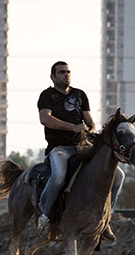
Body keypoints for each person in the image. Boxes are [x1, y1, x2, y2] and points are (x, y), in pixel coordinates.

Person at [36, 61, 123, 240]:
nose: (66, 74)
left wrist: (90, 129)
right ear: (52, 77)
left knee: (119, 176)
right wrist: (73, 127)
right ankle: (44, 216)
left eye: (68, 72)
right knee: (58, 177)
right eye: (61, 72)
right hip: (59, 149)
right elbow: (45, 119)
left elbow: (90, 121)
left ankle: (105, 220)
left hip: (82, 148)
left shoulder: (80, 95)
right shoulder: (47, 95)